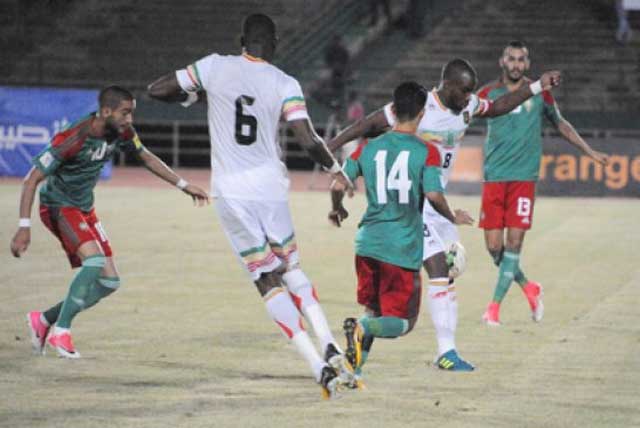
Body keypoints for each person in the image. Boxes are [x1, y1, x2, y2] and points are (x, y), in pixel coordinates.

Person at [147, 13, 355, 399]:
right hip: (270, 188)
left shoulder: (214, 67)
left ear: (241, 39)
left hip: (232, 192)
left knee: (265, 278)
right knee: (291, 265)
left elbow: (157, 90)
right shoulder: (284, 82)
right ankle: (327, 340)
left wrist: (195, 94)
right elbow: (307, 138)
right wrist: (335, 169)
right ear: (274, 44)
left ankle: (316, 365)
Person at [328, 58, 561, 371]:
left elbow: (499, 106)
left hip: (436, 207)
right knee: (438, 271)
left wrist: (536, 86)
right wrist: (332, 144)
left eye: (471, 91)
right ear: (447, 84)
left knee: (444, 276)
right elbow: (367, 125)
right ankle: (446, 353)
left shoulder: (466, 107)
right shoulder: (421, 106)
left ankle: (362, 358)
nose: (469, 97)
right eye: (464, 90)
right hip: (416, 205)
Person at [10, 86, 210, 359]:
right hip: (57, 206)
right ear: (106, 112)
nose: (129, 120)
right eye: (125, 113)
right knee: (93, 262)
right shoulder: (74, 137)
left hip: (83, 209)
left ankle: (44, 320)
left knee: (109, 282)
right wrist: (24, 226)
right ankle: (62, 332)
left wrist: (184, 185)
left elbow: (146, 157)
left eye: (131, 113)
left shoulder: (123, 132)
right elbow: (31, 178)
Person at [329, 81, 473, 387]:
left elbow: (339, 184)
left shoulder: (368, 147)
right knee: (402, 323)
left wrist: (336, 209)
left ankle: (353, 370)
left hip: (367, 243)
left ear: (393, 111)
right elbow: (433, 195)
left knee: (373, 308)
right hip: (401, 246)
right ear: (421, 115)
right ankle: (361, 330)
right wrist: (453, 216)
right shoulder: (427, 151)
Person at [477, 41, 609, 326]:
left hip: (524, 179)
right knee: (493, 247)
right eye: (511, 59)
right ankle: (528, 287)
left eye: (521, 60)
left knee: (513, 244)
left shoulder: (540, 94)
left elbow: (560, 123)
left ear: (527, 62)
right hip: (494, 178)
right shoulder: (488, 93)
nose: (516, 64)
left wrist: (589, 151)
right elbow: (463, 117)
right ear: (502, 60)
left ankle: (494, 308)